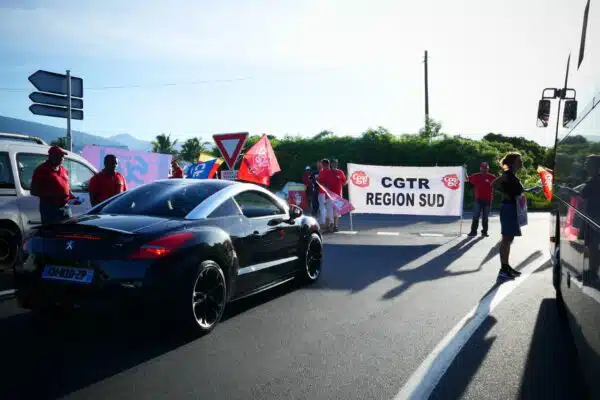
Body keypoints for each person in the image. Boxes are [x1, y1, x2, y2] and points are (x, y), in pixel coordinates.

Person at [492, 152, 538, 279]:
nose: (522, 162)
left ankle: (506, 267)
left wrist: (532, 189)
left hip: (513, 207)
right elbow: (493, 184)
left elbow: (518, 191)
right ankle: (503, 269)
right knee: (506, 238)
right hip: (508, 207)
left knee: (509, 238)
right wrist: (504, 193)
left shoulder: (512, 176)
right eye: (519, 160)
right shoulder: (507, 175)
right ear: (512, 163)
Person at [30, 146, 81, 225]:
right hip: (50, 208)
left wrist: (72, 197)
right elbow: (33, 191)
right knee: (52, 233)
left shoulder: (64, 170)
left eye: (62, 156)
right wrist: (53, 195)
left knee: (67, 231)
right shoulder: (41, 170)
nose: (61, 158)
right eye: (58, 156)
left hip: (65, 208)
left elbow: (66, 187)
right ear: (50, 156)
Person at [467, 162, 496, 237]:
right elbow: (466, 179)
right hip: (478, 200)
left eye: (486, 168)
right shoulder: (476, 176)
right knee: (476, 216)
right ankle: (473, 232)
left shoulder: (492, 177)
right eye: (483, 168)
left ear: (488, 169)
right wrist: (463, 171)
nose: (484, 169)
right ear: (480, 168)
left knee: (485, 217)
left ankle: (484, 232)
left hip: (488, 200)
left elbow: (498, 184)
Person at [317, 159, 336, 232]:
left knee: (323, 208)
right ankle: (331, 224)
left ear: (323, 164)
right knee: (330, 209)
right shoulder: (332, 171)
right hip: (330, 192)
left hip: (323, 192)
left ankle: (324, 223)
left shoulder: (322, 172)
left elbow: (320, 181)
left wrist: (317, 179)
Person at [330, 159, 347, 232]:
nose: (334, 165)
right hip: (329, 195)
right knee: (330, 212)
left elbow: (344, 183)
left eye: (336, 163)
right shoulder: (327, 172)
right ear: (331, 164)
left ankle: (335, 226)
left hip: (338, 196)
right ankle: (330, 225)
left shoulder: (340, 172)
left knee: (336, 212)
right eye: (333, 163)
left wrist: (348, 180)